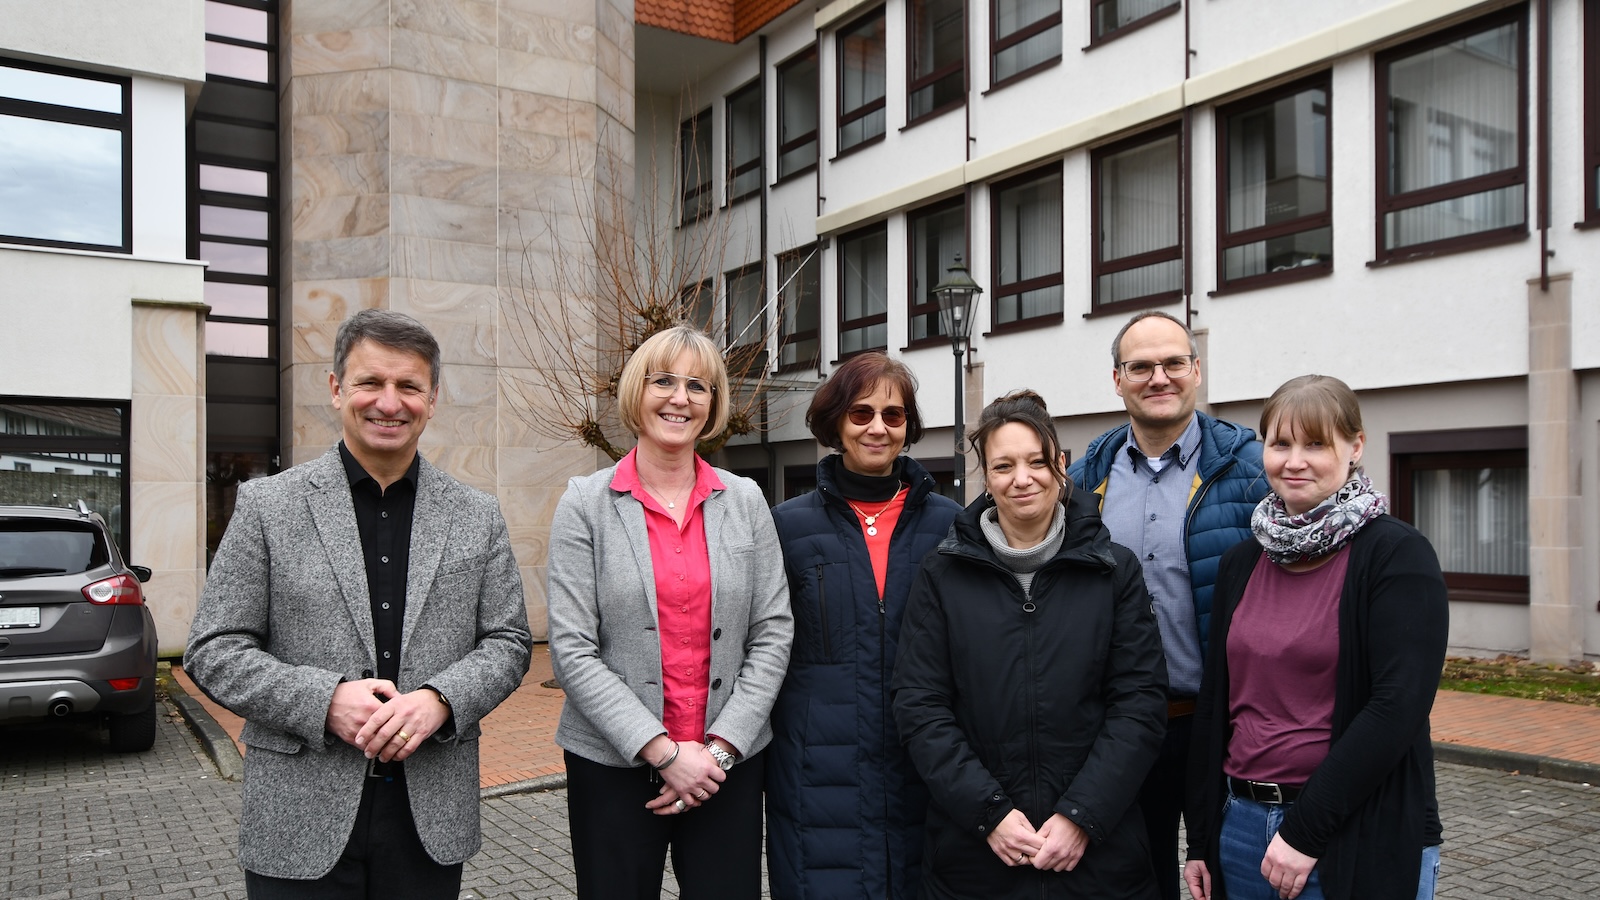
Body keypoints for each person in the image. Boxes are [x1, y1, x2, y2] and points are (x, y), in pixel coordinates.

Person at [186, 309, 534, 898]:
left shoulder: (477, 514)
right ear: (336, 388)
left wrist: (441, 700)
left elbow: (509, 642)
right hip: (299, 813)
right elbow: (213, 649)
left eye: (409, 386)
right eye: (370, 382)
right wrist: (324, 701)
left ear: (433, 398)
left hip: (429, 813)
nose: (389, 403)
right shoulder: (268, 506)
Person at [545, 324, 793, 899]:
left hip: (724, 768)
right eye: (664, 381)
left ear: (712, 404)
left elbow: (773, 632)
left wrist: (719, 750)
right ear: (638, 390)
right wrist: (662, 752)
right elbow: (573, 649)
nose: (680, 398)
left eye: (697, 386)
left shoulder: (745, 500)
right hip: (612, 764)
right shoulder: (585, 503)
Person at [893, 389, 1168, 899]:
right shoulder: (943, 574)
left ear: (1060, 465)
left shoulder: (1113, 569)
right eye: (1004, 466)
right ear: (986, 476)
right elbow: (920, 706)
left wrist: (1082, 815)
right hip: (976, 860)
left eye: (1036, 462)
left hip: (1098, 859)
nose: (1022, 478)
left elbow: (1140, 704)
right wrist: (989, 813)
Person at [1182, 375, 1448, 900]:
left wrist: (1303, 833)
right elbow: (1216, 704)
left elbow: (1397, 707)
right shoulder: (1242, 560)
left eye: (1316, 444)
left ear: (1355, 447)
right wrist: (1202, 837)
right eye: (1280, 444)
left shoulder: (1396, 555)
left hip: (1352, 828)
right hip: (1240, 829)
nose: (1294, 461)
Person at [1068, 310, 1266, 900]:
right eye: (1141, 367)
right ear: (1117, 380)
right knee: (1138, 881)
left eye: (1173, 363)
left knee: (1229, 877)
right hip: (1121, 726)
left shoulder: (1252, 472)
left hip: (1223, 725)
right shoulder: (1083, 481)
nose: (1159, 377)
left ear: (1196, 370)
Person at [766, 352, 962, 899]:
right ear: (836, 422)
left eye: (893, 415)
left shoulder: (951, 525)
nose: (878, 427)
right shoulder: (785, 527)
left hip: (924, 767)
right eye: (861, 413)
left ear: (908, 426)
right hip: (817, 774)